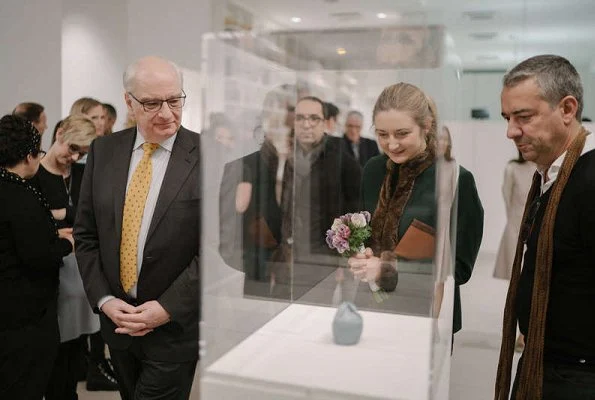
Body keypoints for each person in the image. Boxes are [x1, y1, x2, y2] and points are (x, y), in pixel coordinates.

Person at [74, 55, 201, 400]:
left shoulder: (208, 156)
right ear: (128, 102)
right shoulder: (104, 151)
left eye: (175, 100)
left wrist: (167, 307)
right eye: (151, 103)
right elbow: (86, 236)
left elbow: (216, 250)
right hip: (118, 325)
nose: (166, 113)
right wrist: (103, 299)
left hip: (173, 327)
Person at [495, 55, 595, 399]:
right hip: (546, 365)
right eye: (508, 118)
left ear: (567, 109)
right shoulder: (553, 178)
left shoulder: (589, 180)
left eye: (523, 117)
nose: (511, 131)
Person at [348, 82, 483, 336]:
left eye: (402, 133)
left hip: (424, 315)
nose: (392, 144)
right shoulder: (373, 170)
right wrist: (362, 255)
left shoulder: (455, 179)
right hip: (369, 309)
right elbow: (363, 233)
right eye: (382, 134)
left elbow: (460, 269)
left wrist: (387, 269)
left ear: (427, 126)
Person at [30, 115, 105, 399]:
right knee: (53, 347)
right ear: (59, 134)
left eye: (81, 153)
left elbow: (96, 214)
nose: (74, 157)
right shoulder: (33, 174)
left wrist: (62, 215)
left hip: (80, 272)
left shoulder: (83, 173)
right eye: (72, 148)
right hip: (50, 272)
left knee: (76, 347)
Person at [0, 114, 74, 399]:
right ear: (30, 156)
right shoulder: (22, 195)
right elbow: (39, 257)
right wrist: (67, 244)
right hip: (22, 318)